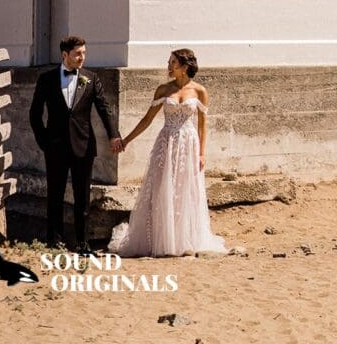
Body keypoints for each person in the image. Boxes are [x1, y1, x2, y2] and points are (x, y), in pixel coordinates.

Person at [108, 48, 227, 257]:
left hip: (188, 144)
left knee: (185, 189)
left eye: (173, 62)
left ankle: (184, 239)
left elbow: (202, 125)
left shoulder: (200, 91)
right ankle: (160, 239)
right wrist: (126, 140)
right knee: (162, 188)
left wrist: (201, 154)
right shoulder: (163, 90)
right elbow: (147, 119)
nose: (169, 66)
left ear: (185, 66)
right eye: (169, 62)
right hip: (166, 142)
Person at [29, 35, 124, 253]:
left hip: (84, 145)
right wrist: (44, 141)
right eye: (77, 54)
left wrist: (113, 135)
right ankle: (55, 242)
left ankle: (83, 243)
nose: (82, 57)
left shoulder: (91, 78)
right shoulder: (46, 79)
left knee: (82, 197)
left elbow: (104, 108)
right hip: (55, 147)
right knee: (55, 195)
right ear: (65, 55)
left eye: (84, 53)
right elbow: (35, 114)